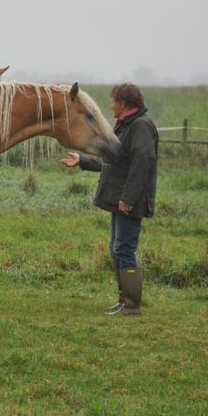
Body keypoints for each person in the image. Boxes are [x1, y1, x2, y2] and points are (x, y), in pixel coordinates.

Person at [60, 83, 158, 315]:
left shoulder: (141, 126)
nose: (111, 106)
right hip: (120, 198)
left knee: (124, 249)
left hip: (128, 201)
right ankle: (124, 300)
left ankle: (132, 305)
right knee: (117, 249)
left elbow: (142, 162)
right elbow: (116, 162)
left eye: (113, 101)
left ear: (123, 103)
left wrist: (129, 198)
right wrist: (82, 161)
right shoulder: (127, 125)